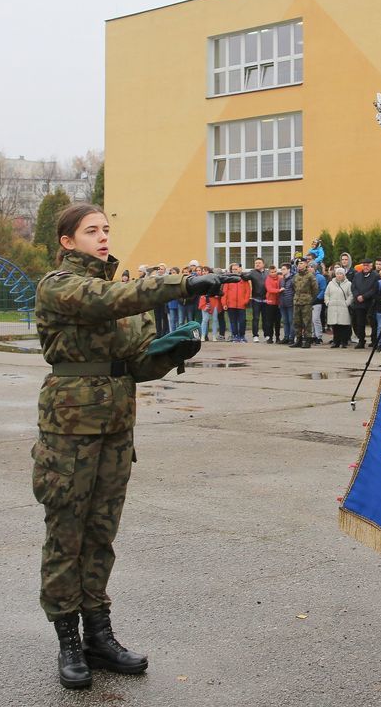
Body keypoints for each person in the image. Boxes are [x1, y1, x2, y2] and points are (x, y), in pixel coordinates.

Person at [35, 202, 238, 690]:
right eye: (91, 231)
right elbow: (108, 301)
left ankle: (98, 635)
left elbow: (137, 363)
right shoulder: (60, 286)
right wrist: (185, 284)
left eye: (106, 229)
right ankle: (67, 639)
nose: (103, 237)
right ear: (67, 241)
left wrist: (168, 356)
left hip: (116, 425)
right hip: (70, 427)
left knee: (102, 531)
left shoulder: (127, 295)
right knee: (68, 532)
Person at [348, 258, 379, 348]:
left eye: (367, 265)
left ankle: (374, 341)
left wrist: (364, 297)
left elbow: (374, 289)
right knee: (359, 323)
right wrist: (357, 296)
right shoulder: (357, 275)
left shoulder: (376, 276)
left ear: (371, 266)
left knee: (373, 322)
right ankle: (361, 341)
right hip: (359, 303)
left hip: (370, 302)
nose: (365, 267)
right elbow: (353, 287)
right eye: (364, 265)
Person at [291, 258, 317, 348]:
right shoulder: (296, 276)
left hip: (306, 302)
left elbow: (315, 289)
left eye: (301, 263)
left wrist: (310, 298)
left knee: (307, 322)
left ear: (306, 264)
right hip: (297, 301)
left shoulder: (310, 276)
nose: (299, 265)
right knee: (297, 321)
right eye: (298, 263)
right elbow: (294, 287)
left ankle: (307, 340)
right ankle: (298, 340)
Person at [324, 267, 352, 347]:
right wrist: (328, 302)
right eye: (337, 274)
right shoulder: (331, 283)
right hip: (332, 307)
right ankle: (336, 342)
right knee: (335, 326)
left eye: (341, 274)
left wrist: (347, 303)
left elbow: (351, 295)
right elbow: (326, 294)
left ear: (344, 275)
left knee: (343, 326)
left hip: (343, 307)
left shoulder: (348, 284)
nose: (339, 275)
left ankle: (344, 342)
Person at [223, 262, 251, 342]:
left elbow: (247, 291)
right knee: (233, 321)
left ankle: (242, 336)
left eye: (236, 269)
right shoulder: (228, 279)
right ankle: (234, 336)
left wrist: (245, 301)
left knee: (242, 321)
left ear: (239, 269)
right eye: (233, 269)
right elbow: (225, 292)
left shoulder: (244, 279)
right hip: (230, 304)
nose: (235, 270)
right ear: (231, 270)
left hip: (241, 304)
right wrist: (224, 303)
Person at [245, 258, 267, 342]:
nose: (257, 264)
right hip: (256, 299)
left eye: (259, 263)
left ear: (263, 264)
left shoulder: (267, 273)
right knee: (256, 318)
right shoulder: (252, 273)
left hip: (266, 299)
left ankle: (267, 335)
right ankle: (255, 335)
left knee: (266, 318)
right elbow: (244, 277)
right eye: (256, 263)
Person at [263, 266, 282, 343]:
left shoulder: (280, 278)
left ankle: (278, 337)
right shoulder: (268, 279)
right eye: (272, 272)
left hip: (279, 303)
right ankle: (270, 337)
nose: (273, 273)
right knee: (269, 321)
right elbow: (269, 289)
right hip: (270, 302)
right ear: (269, 272)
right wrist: (279, 290)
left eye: (274, 271)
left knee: (278, 321)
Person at [278, 263, 295, 345]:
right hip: (282, 303)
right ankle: (286, 337)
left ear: (288, 270)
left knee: (291, 321)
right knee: (285, 321)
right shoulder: (281, 280)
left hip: (290, 302)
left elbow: (295, 291)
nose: (282, 271)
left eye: (284, 269)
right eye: (281, 269)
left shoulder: (293, 279)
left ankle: (291, 338)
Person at [311, 262, 328, 345]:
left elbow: (323, 289)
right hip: (308, 301)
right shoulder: (307, 277)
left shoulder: (320, 277)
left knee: (316, 319)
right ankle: (312, 335)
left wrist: (318, 298)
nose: (309, 268)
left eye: (311, 267)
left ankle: (319, 336)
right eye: (308, 267)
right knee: (310, 320)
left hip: (317, 301)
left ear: (315, 268)